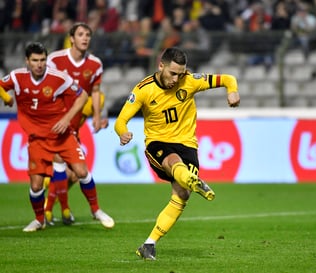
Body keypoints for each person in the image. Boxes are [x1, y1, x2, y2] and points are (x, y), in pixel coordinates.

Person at [114, 47, 240, 260]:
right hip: (158, 143)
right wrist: (123, 133)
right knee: (173, 161)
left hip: (187, 144)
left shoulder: (189, 80)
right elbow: (120, 121)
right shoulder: (144, 89)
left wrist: (232, 91)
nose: (176, 78)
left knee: (182, 195)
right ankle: (194, 180)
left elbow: (228, 78)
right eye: (173, 73)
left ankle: (148, 245)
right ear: (160, 66)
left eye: (180, 74)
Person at [0, 42, 113, 232]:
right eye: (35, 60)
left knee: (82, 171)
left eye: (43, 60)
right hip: (37, 139)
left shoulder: (58, 78)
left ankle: (96, 210)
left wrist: (66, 119)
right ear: (27, 61)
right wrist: (7, 98)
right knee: (36, 186)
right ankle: (39, 219)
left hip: (62, 136)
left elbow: (82, 95)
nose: (39, 64)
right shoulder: (17, 77)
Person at [45, 22, 112, 227]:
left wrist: (97, 117)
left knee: (74, 174)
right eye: (81, 34)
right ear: (71, 38)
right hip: (56, 123)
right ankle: (51, 211)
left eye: (88, 35)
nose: (85, 38)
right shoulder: (55, 60)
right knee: (68, 167)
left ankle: (53, 204)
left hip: (75, 126)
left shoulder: (95, 64)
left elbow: (95, 93)